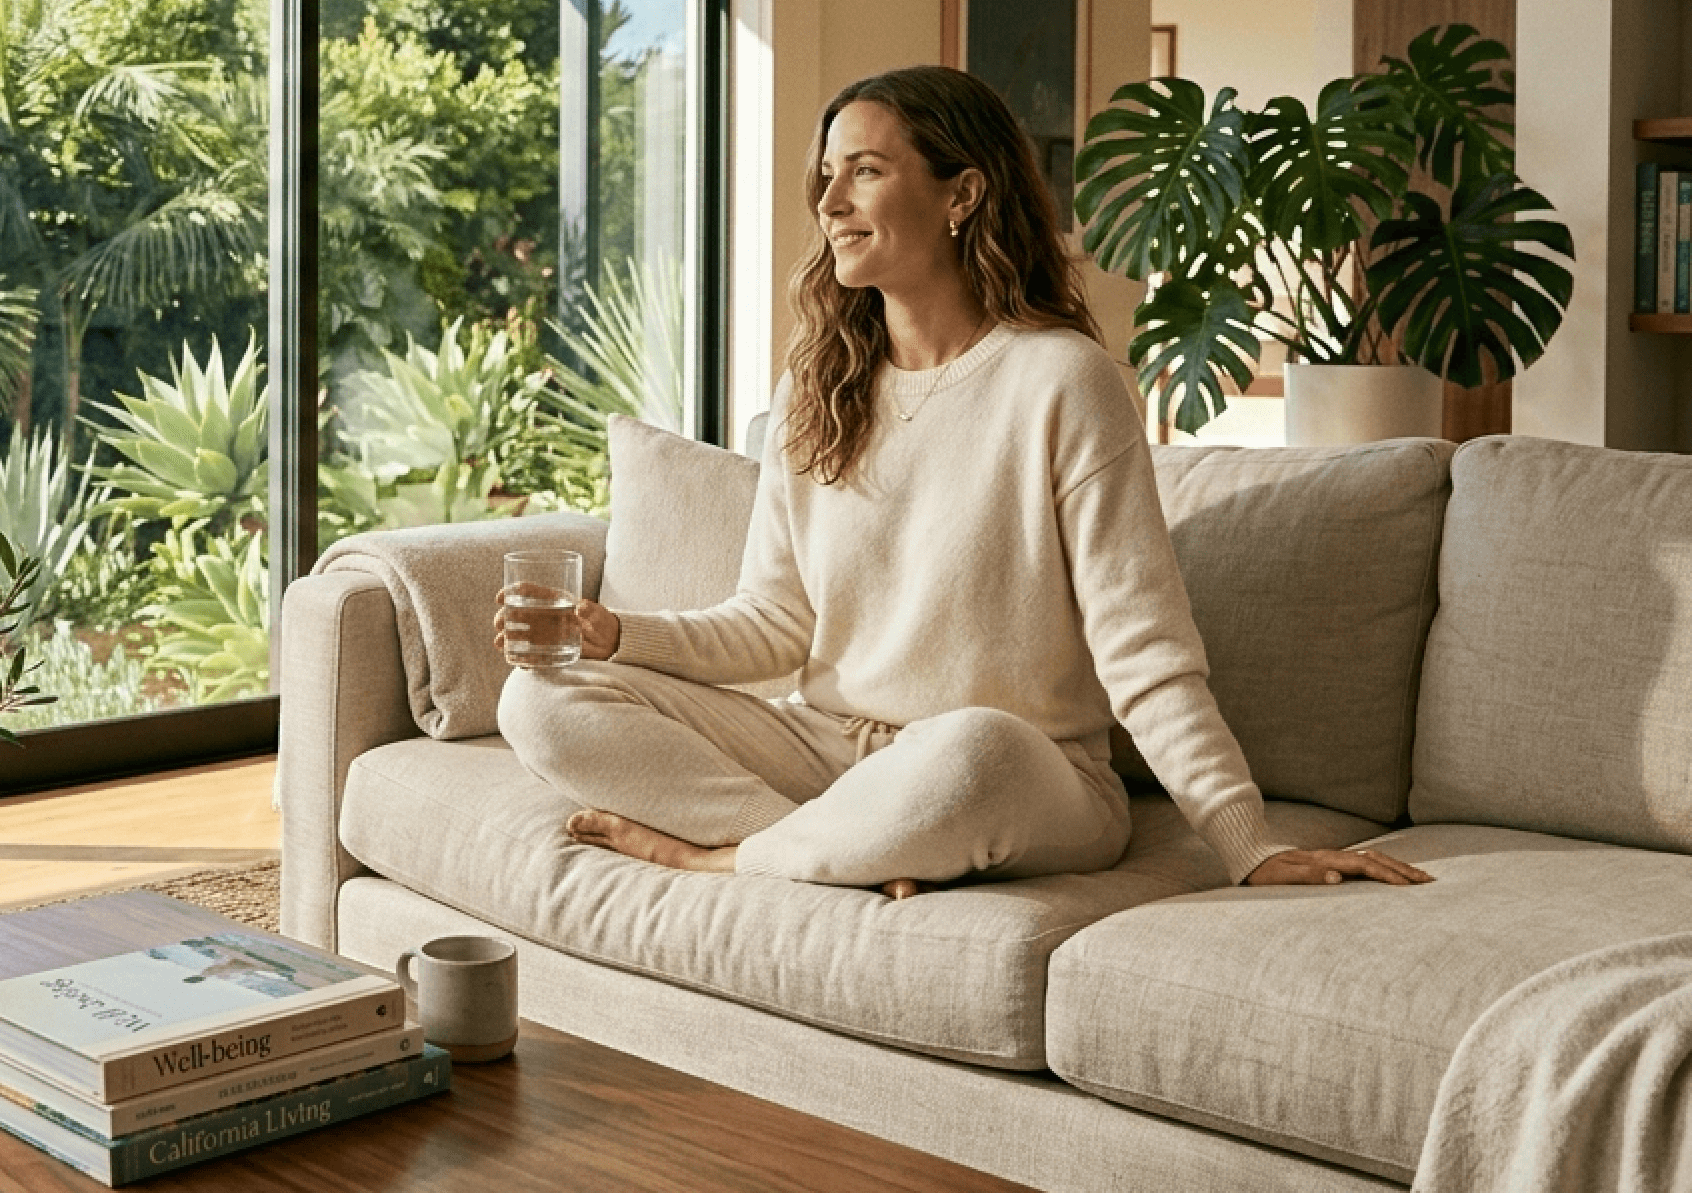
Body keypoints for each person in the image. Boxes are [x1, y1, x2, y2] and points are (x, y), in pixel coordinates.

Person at [492, 65, 1434, 900]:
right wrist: (617, 636)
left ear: (962, 193)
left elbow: (1144, 651)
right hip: (829, 749)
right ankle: (830, 846)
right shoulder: (814, 387)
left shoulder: (1062, 380)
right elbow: (776, 623)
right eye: (827, 175)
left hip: (1025, 771)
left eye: (864, 169)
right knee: (539, 698)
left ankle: (724, 860)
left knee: (966, 749)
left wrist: (1246, 841)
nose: (828, 202)